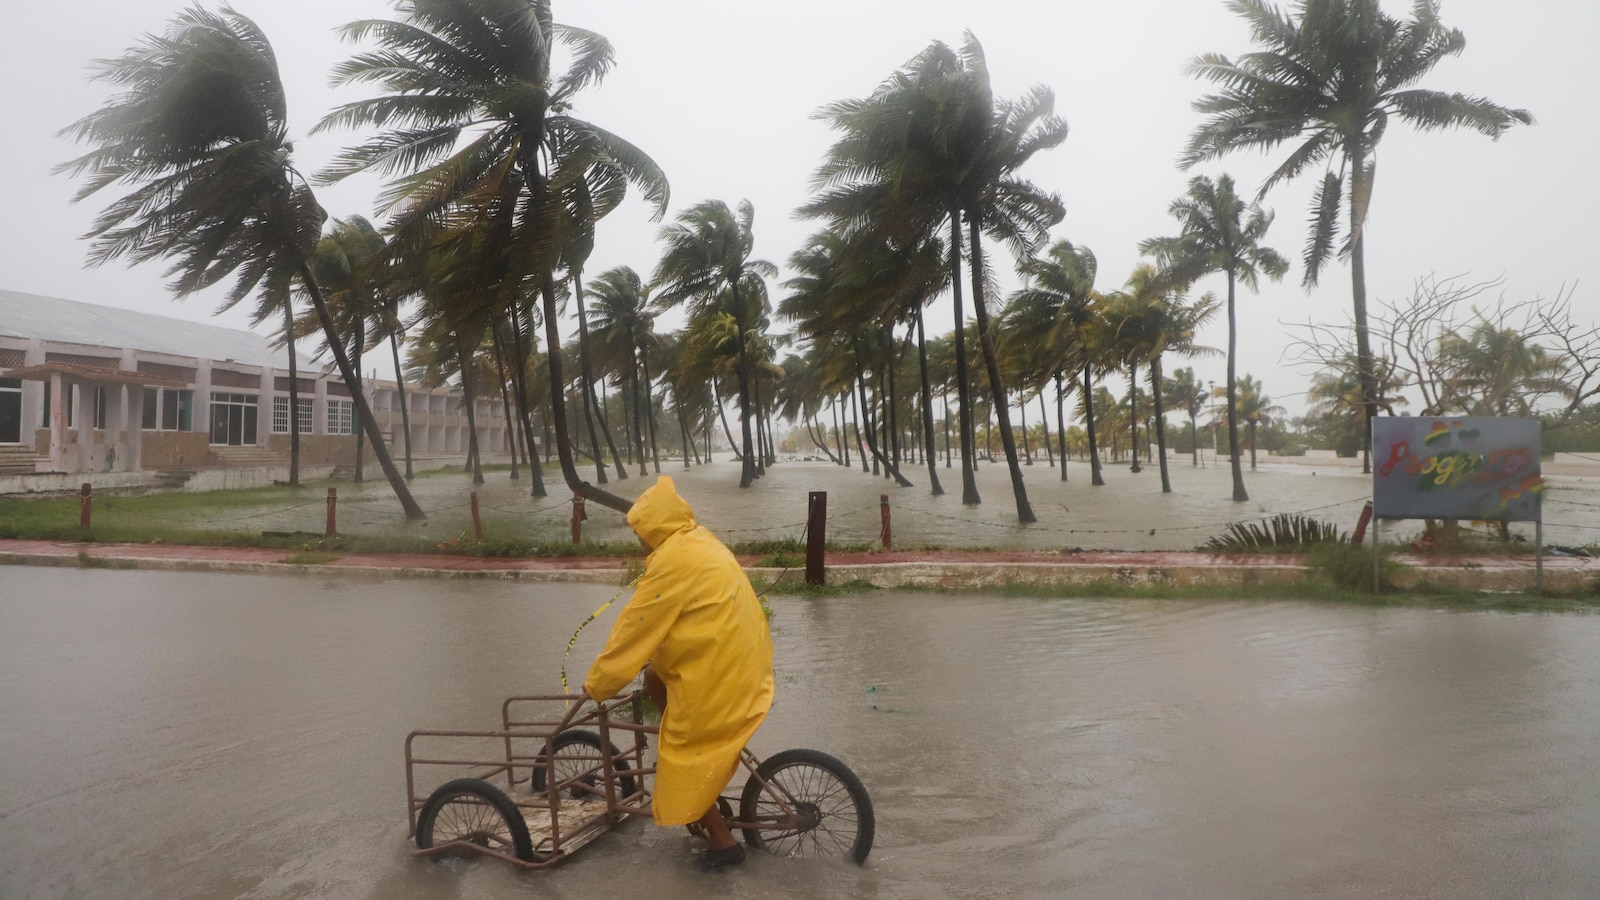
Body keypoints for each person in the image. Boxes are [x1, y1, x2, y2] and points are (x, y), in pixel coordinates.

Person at [581, 476, 775, 870]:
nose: (638, 540)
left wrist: (598, 685)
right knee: (654, 676)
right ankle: (705, 782)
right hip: (746, 663)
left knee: (679, 756)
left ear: (654, 528)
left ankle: (722, 844)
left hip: (720, 674)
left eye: (640, 532)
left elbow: (634, 630)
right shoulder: (700, 540)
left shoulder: (671, 563)